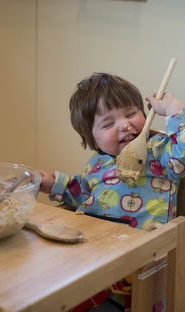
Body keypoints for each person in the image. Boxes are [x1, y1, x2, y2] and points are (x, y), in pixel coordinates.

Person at [40, 73, 185, 311]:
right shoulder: (97, 164)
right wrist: (53, 185)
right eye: (108, 124)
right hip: (98, 262)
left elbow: (181, 157)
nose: (125, 125)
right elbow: (84, 193)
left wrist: (175, 110)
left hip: (145, 269)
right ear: (93, 140)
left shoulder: (160, 153)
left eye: (131, 114)